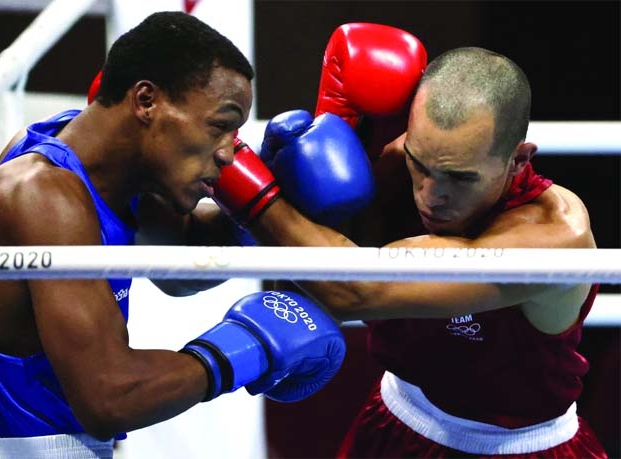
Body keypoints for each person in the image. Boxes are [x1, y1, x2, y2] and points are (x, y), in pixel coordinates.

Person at [209, 22, 609, 458]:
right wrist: (298, 175)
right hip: (394, 422)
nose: (430, 194)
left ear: (518, 161)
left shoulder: (555, 236)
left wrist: (254, 194)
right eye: (421, 165)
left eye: (460, 178)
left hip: (522, 448)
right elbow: (317, 238)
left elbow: (354, 290)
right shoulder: (403, 161)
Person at [0, 11, 347, 459]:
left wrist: (266, 204)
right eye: (220, 125)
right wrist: (243, 350)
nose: (230, 155)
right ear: (146, 101)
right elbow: (109, 396)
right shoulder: (44, 196)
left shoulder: (97, 162)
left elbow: (178, 266)